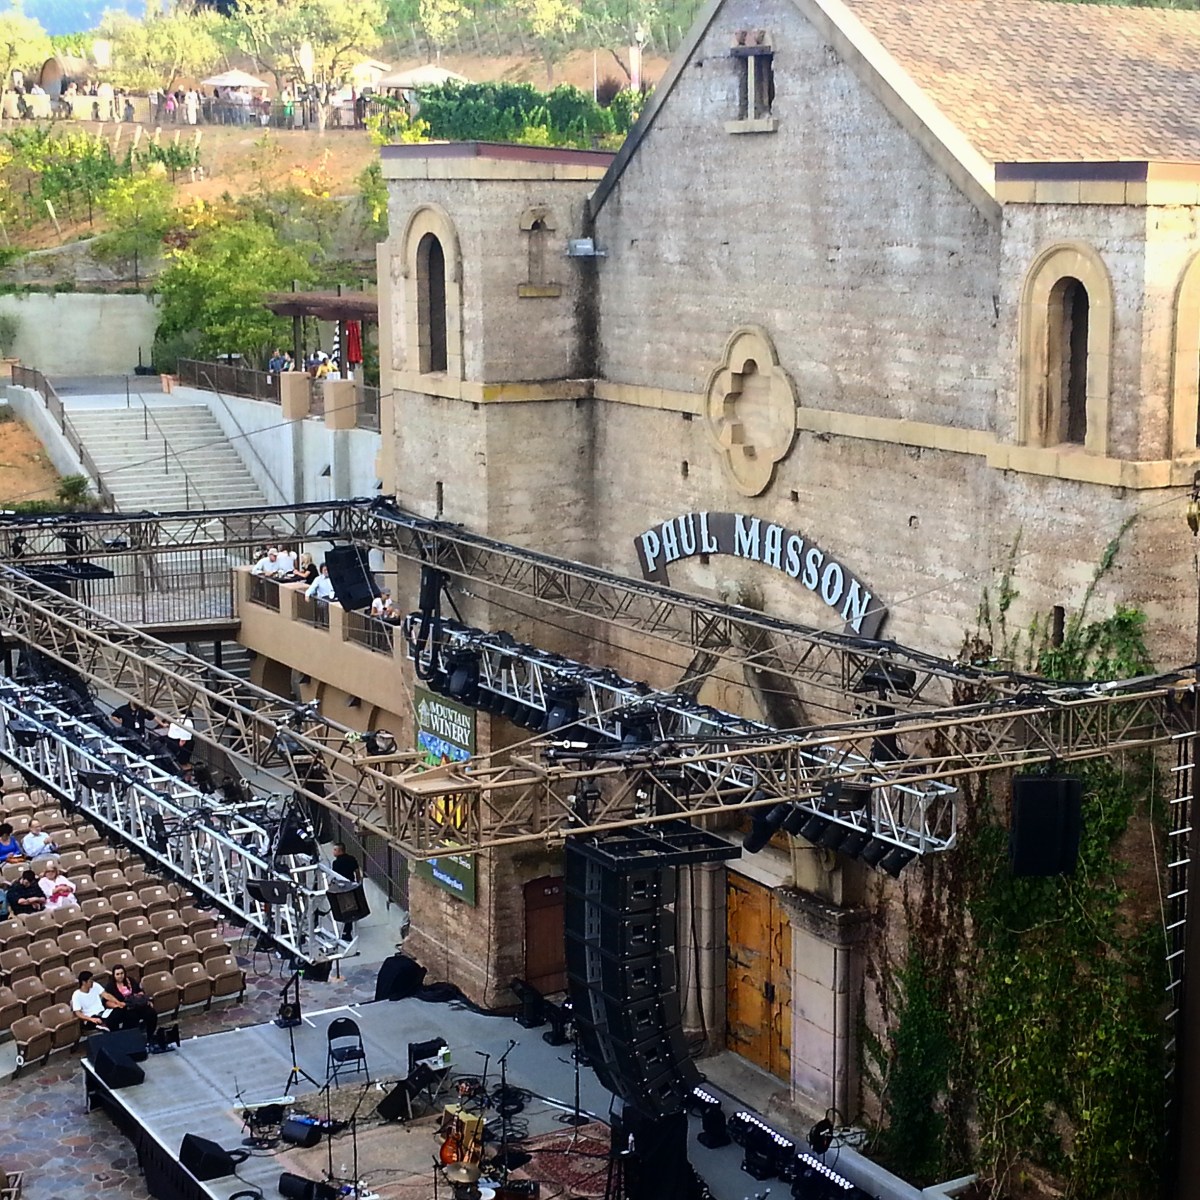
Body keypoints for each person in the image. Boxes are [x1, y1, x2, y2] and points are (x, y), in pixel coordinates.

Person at [106, 964, 158, 1037]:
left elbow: (140, 991)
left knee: (151, 1013)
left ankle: (150, 1036)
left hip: (136, 1005)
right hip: (124, 1009)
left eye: (122, 973)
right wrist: (118, 1004)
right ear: (114, 975)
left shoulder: (130, 980)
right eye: (117, 974)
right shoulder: (110, 986)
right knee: (131, 1017)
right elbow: (107, 1002)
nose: (120, 976)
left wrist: (143, 999)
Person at [330, 842, 361, 939]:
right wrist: (358, 882)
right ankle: (348, 930)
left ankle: (346, 929)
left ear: (340, 851)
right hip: (351, 886)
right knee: (350, 907)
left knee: (343, 908)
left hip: (341, 888)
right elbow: (357, 872)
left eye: (335, 850)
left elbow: (335, 876)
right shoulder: (352, 859)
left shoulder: (336, 863)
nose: (333, 852)